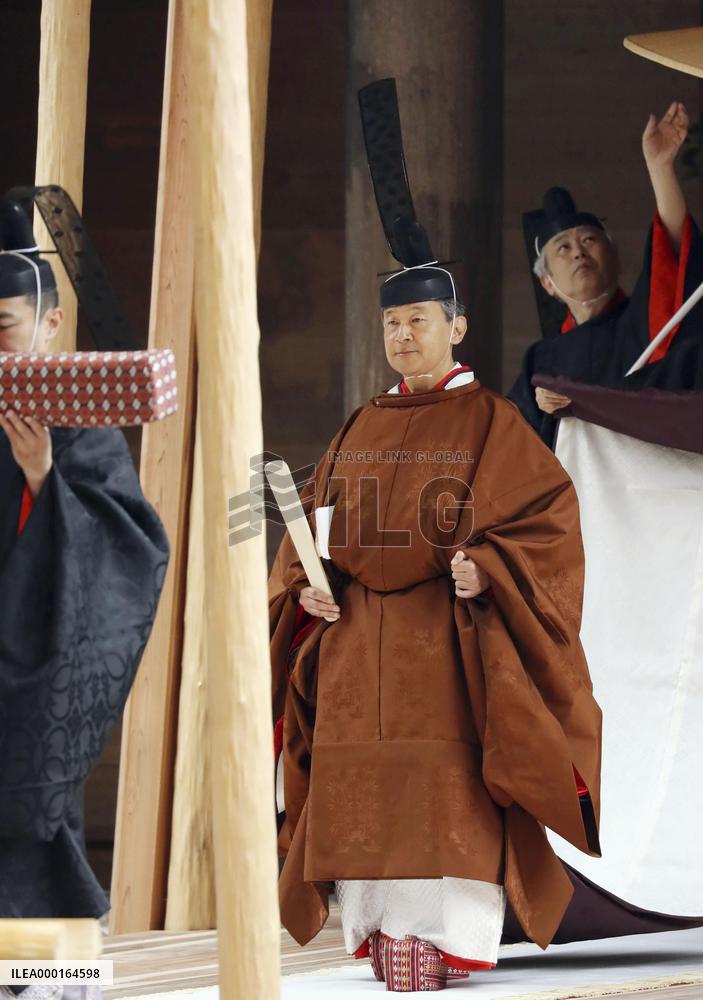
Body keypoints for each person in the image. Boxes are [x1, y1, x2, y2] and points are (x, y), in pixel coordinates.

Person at [268, 78, 602, 993]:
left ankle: (446, 941)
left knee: (443, 792)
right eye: (391, 322)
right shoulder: (358, 425)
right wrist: (304, 585)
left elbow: (546, 524)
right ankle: (378, 934)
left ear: (455, 326)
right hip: (352, 648)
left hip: (445, 649)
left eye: (417, 320)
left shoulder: (493, 422)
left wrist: (487, 568)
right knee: (360, 796)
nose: (402, 336)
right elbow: (310, 525)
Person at [0, 238, 169, 918]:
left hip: (36, 654)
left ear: (50, 322)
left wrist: (42, 474)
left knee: (31, 827)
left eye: (3, 324)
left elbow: (128, 547)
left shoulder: (79, 422)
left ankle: (59, 972)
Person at [509, 101, 703, 444]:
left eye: (589, 240)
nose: (579, 252)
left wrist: (660, 167)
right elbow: (510, 442)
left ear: (615, 257)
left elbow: (672, 256)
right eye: (563, 248)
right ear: (547, 283)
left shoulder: (642, 320)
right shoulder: (540, 361)